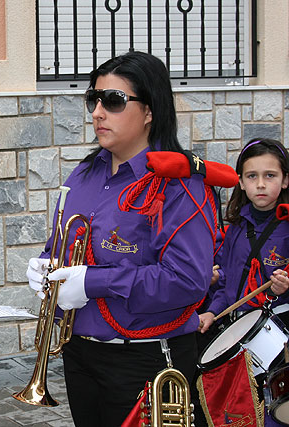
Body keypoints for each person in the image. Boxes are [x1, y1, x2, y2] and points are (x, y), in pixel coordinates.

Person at [26, 51, 223, 426]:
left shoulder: (181, 183)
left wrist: (92, 282)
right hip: (80, 354)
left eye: (113, 101)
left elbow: (187, 281)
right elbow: (63, 246)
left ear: (149, 111)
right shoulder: (84, 174)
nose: (98, 112)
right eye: (93, 100)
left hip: (144, 359)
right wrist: (45, 266)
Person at [196, 138, 289, 426]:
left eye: (270, 175)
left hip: (281, 341)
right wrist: (212, 311)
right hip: (240, 336)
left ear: (285, 180)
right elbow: (229, 287)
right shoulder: (236, 227)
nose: (260, 184)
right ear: (241, 182)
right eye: (252, 176)